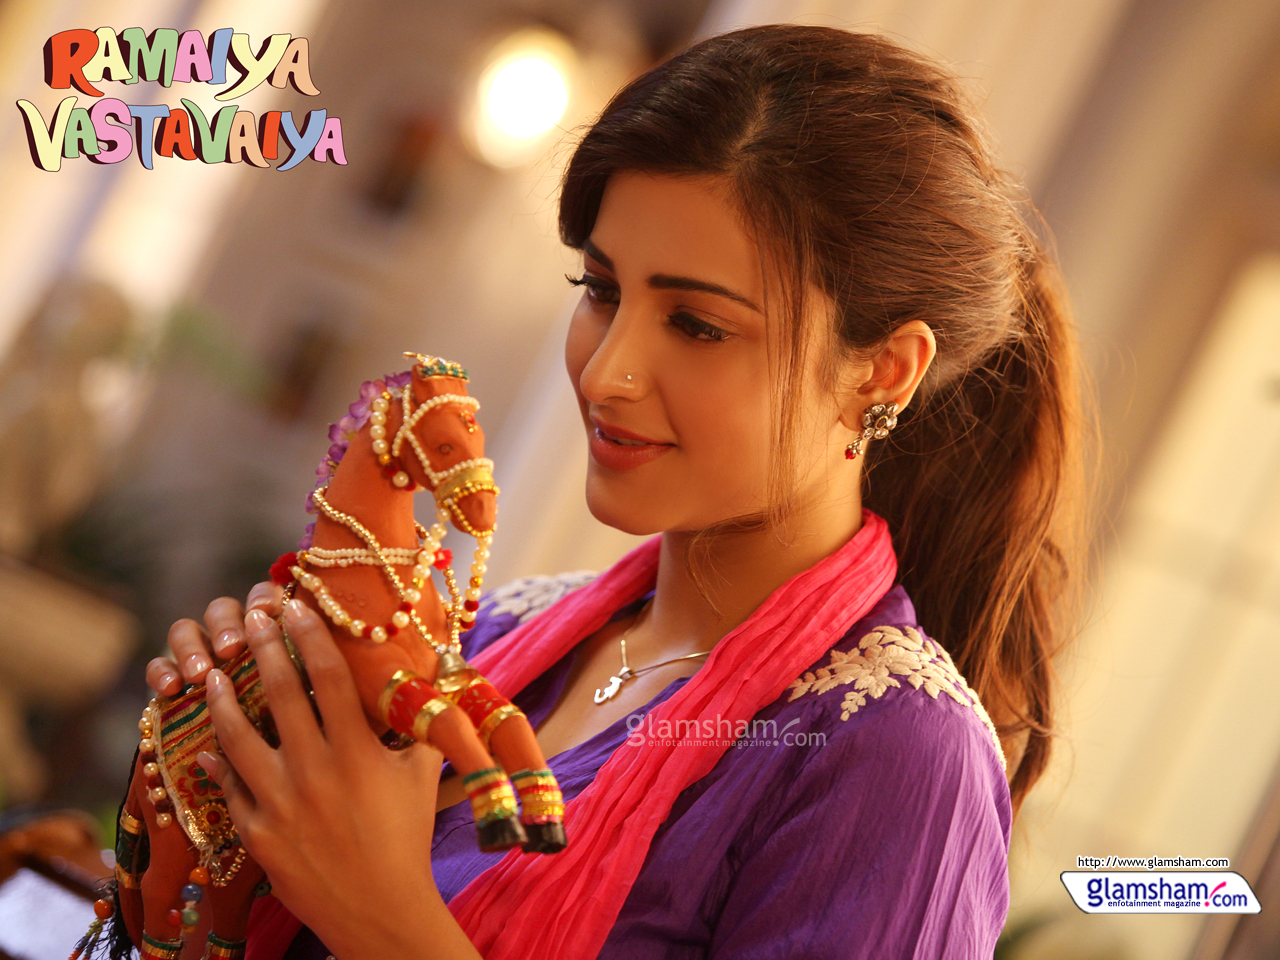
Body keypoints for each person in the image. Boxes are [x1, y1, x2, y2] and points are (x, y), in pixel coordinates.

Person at [144, 24, 1085, 960]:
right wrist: (220, 784)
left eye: (698, 324)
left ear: (883, 370)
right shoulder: (497, 638)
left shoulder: (894, 753)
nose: (606, 374)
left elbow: (372, 909)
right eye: (600, 290)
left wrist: (383, 916)